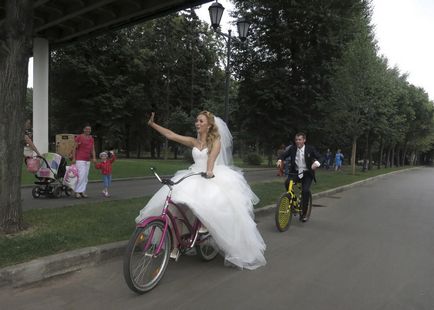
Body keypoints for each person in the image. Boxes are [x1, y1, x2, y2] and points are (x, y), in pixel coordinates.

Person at [136, 111, 266, 270]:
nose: (197, 123)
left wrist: (209, 171)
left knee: (207, 200)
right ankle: (175, 246)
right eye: (197, 121)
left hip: (209, 175)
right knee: (174, 205)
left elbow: (211, 158)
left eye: (201, 121)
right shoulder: (194, 141)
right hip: (193, 175)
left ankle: (204, 225)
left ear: (209, 125)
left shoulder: (216, 141)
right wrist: (152, 124)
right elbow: (171, 135)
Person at [277, 132, 321, 222]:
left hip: (307, 173)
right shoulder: (292, 149)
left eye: (300, 139)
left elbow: (320, 157)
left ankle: (304, 213)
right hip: (297, 172)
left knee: (305, 191)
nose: (298, 141)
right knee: (287, 182)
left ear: (304, 140)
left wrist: (316, 163)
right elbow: (283, 155)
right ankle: (292, 199)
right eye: (296, 140)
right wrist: (280, 159)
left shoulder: (310, 149)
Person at [72, 124, 96, 198]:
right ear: (84, 129)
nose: (88, 130)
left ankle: (82, 191)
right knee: (81, 175)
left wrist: (94, 157)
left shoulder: (91, 138)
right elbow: (74, 148)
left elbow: (93, 149)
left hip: (87, 159)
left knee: (85, 177)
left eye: (89, 129)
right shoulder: (79, 137)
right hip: (80, 159)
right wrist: (73, 158)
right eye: (87, 129)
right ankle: (77, 192)